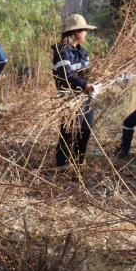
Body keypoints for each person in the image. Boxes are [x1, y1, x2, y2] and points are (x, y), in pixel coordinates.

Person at [52, 14, 97, 168]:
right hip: (68, 99)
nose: (86, 33)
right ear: (76, 32)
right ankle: (62, 169)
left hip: (85, 98)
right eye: (84, 30)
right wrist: (85, 85)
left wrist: (94, 83)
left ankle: (78, 167)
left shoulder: (83, 51)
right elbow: (65, 75)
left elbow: (88, 73)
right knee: (69, 134)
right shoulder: (61, 51)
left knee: (85, 132)